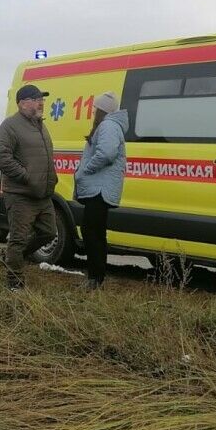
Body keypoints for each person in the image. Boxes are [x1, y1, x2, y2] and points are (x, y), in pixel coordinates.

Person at [0, 85, 58, 290]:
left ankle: (13, 257)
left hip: (43, 194)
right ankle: (15, 283)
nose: (41, 103)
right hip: (21, 194)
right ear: (22, 103)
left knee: (49, 233)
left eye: (42, 99)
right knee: (18, 239)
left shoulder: (40, 125)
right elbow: (2, 158)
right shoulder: (10, 126)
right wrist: (26, 177)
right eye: (36, 99)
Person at [73, 92, 128, 290]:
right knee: (96, 232)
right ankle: (97, 278)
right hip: (101, 187)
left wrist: (86, 169)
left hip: (99, 189)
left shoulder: (108, 126)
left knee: (90, 232)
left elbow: (106, 153)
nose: (93, 110)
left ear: (102, 110)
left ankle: (94, 279)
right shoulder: (110, 126)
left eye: (95, 107)